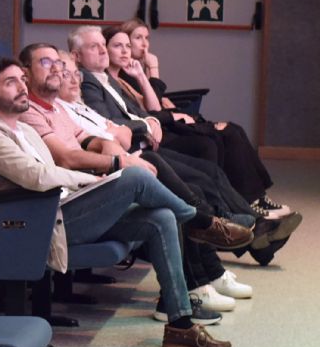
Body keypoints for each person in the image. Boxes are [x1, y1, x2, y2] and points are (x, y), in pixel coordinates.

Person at [0, 57, 233, 347]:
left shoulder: (23, 129)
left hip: (65, 209)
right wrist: (91, 180)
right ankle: (200, 221)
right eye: (10, 82)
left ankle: (180, 325)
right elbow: (37, 176)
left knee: (160, 217)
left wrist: (91, 181)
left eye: (21, 79)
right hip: (42, 224)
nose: (22, 87)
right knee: (133, 175)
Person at [120, 18, 295, 217]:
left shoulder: (136, 69)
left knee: (232, 129)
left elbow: (154, 101)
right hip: (160, 128)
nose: (144, 44)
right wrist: (154, 70)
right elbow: (152, 107)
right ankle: (246, 203)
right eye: (137, 38)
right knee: (223, 135)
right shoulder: (127, 73)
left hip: (166, 121)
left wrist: (162, 97)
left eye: (147, 38)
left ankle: (256, 198)